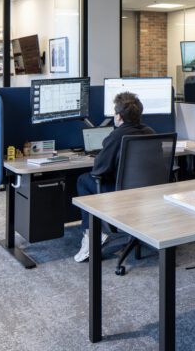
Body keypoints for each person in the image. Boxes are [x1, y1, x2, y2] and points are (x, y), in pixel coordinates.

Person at [74, 91, 154, 262]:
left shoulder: (116, 136)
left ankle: (92, 235)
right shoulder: (150, 132)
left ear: (118, 116)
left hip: (121, 195)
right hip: (147, 195)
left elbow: (98, 171)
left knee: (83, 179)